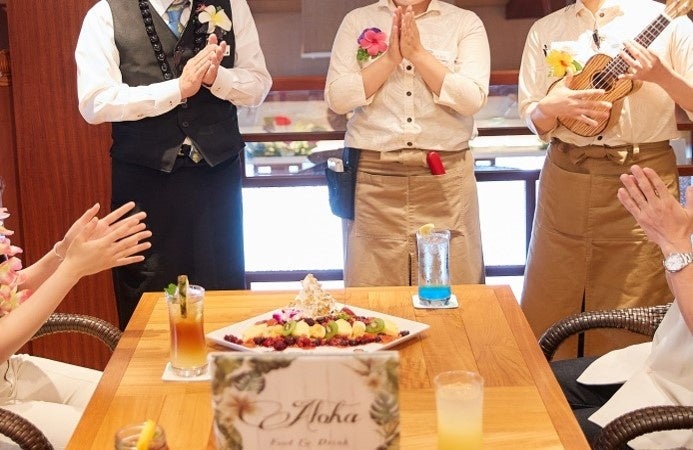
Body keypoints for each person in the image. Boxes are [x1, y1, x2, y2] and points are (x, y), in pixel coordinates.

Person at [75, 0, 272, 329]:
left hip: (217, 180)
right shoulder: (106, 14)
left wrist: (218, 78)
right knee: (149, 292)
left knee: (222, 287)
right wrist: (176, 89)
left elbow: (258, 85)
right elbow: (95, 102)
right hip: (145, 182)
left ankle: (221, 362)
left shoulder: (232, 5)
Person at [517, 0, 693, 358]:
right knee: (552, 290)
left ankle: (628, 389)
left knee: (637, 294)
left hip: (641, 178)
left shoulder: (669, 21)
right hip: (565, 175)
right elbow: (531, 114)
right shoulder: (545, 29)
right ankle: (549, 385)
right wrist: (549, 108)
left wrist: (662, 76)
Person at [325, 0, 490, 287]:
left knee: (452, 284)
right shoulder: (357, 20)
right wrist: (390, 59)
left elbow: (471, 100)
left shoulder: (465, 22)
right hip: (373, 179)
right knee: (371, 289)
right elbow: (338, 99)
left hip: (445, 177)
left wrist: (418, 55)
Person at [551, 165, 693, 449]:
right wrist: (673, 242)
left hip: (683, 403)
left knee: (542, 434)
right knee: (528, 388)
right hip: (666, 362)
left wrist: (674, 243)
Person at [0, 202, 151, 449]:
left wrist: (61, 252)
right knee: (116, 435)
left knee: (135, 403)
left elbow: (8, 290)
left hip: (9, 372)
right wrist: (71, 269)